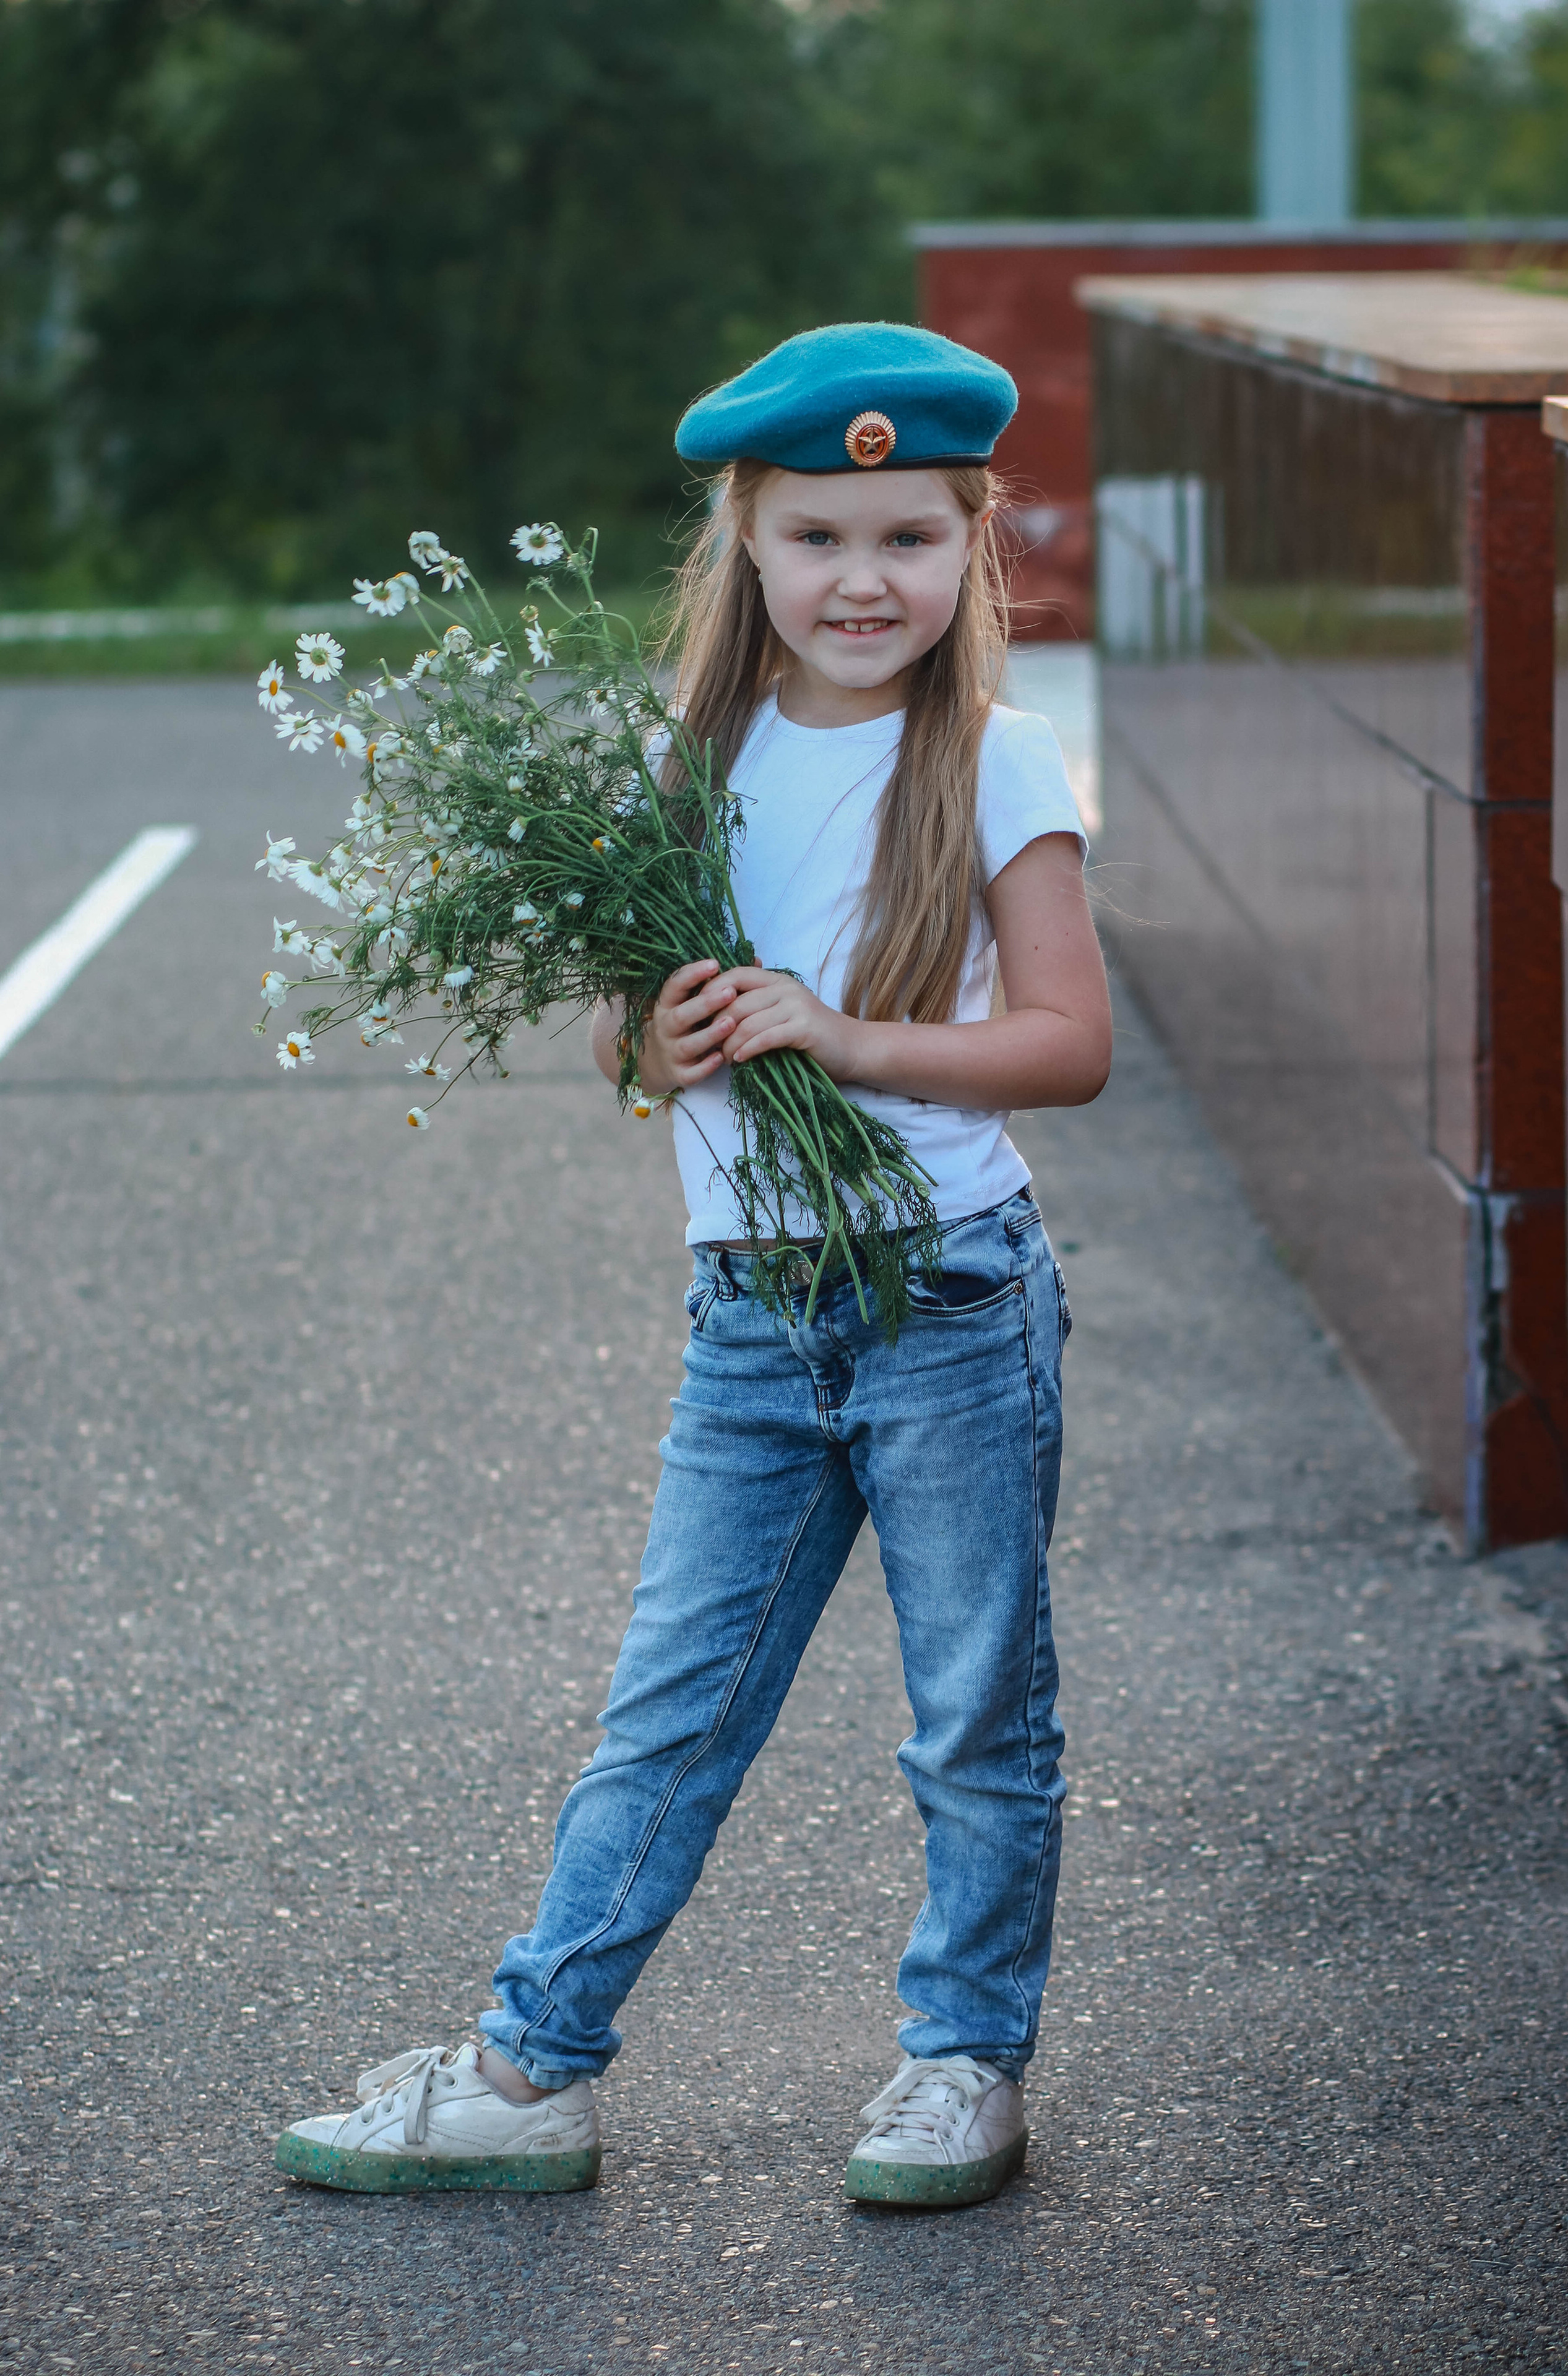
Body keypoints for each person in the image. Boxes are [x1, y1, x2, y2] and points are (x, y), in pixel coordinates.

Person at [277, 321, 1112, 2208]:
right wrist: (655, 1038)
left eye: (909, 538)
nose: (861, 580)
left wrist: (847, 1037)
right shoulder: (692, 754)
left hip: (952, 1296)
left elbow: (1071, 1042)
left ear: (971, 549)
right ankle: (530, 2068)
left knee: (975, 1707)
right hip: (751, 1315)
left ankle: (962, 2061)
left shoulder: (994, 754)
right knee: (673, 1706)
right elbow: (624, 1046)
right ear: (746, 540)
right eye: (819, 538)